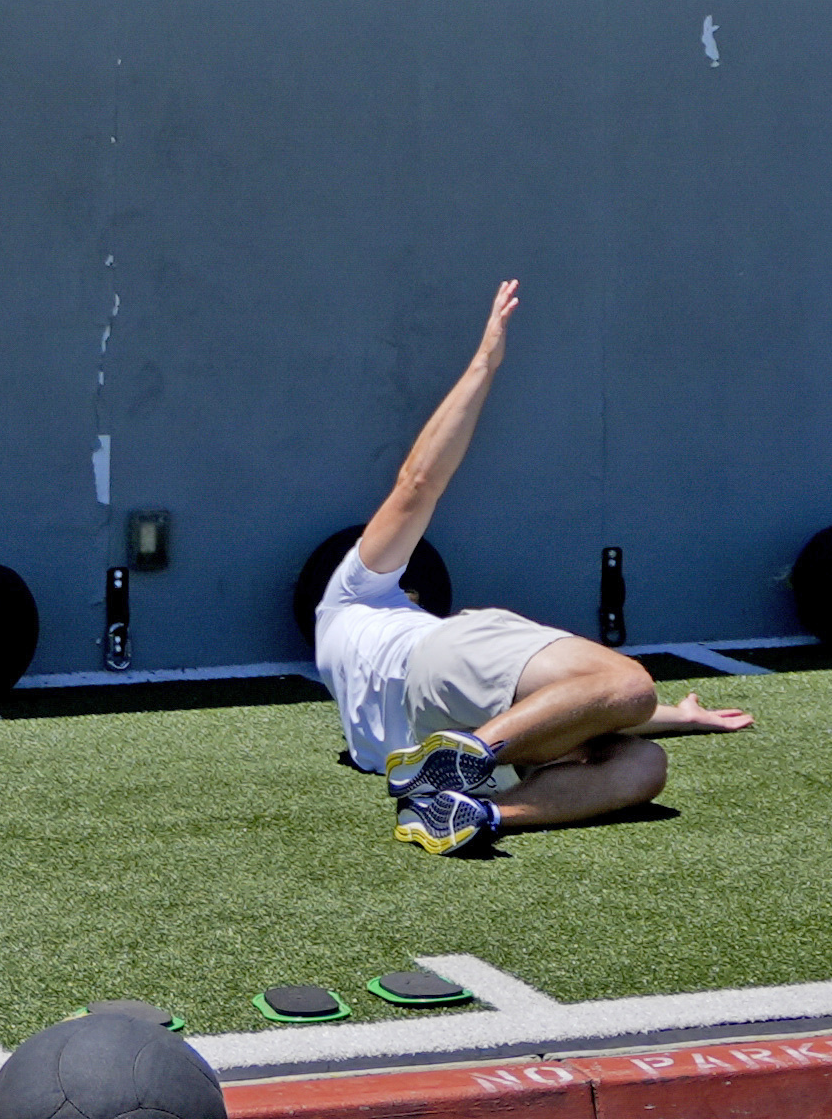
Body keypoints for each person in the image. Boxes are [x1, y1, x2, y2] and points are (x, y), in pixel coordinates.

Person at [319, 283, 754, 852]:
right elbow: (417, 484)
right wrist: (483, 363)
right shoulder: (354, 593)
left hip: (445, 731)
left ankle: (470, 813)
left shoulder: (360, 728)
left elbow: (563, 712)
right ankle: (467, 761)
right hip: (446, 676)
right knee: (629, 682)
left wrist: (681, 717)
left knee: (644, 764)